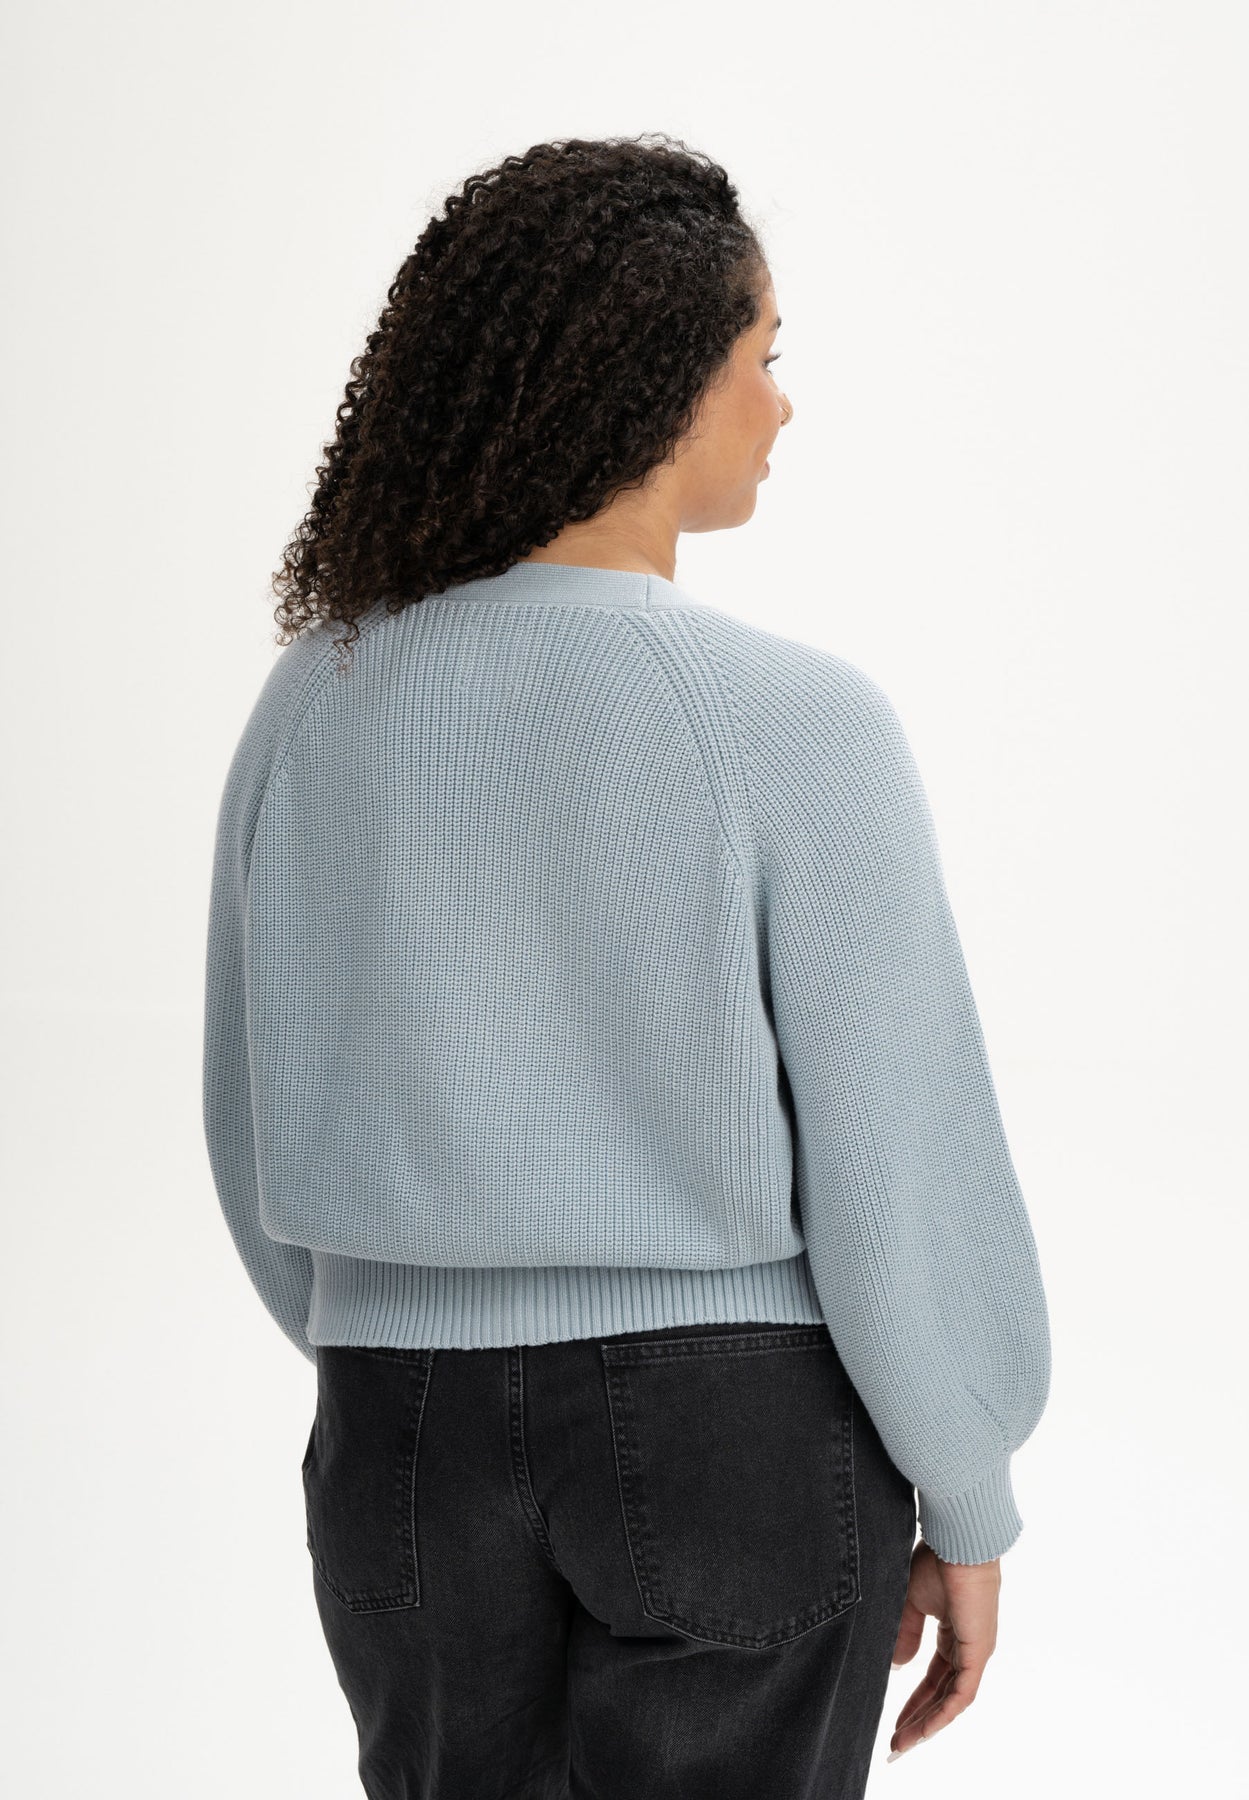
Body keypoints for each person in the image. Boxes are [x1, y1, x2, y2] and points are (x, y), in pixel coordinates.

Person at [202, 133, 1051, 1799]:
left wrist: (406, 1335)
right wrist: (967, 1487)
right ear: (657, 376)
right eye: (764, 357)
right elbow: (893, 1164)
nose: (782, 407)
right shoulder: (792, 719)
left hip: (400, 1435)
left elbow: (251, 1120)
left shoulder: (313, 702)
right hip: (736, 1435)